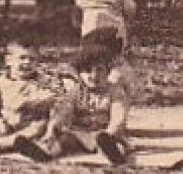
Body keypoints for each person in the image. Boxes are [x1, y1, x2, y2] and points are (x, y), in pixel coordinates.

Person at [53, 28, 138, 164]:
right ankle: (46, 153)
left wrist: (110, 132)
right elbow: (65, 110)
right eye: (87, 71)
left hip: (105, 133)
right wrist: (58, 124)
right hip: (81, 134)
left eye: (99, 70)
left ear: (108, 72)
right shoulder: (76, 91)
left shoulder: (114, 91)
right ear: (79, 74)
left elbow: (118, 117)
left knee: (116, 144)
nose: (94, 76)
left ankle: (114, 155)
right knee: (63, 141)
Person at [0, 40, 64, 160]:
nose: (27, 62)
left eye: (32, 59)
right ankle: (8, 143)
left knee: (41, 126)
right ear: (8, 61)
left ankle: (1, 144)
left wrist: (30, 103)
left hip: (30, 128)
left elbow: (53, 101)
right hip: (4, 127)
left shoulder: (42, 82)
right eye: (22, 58)